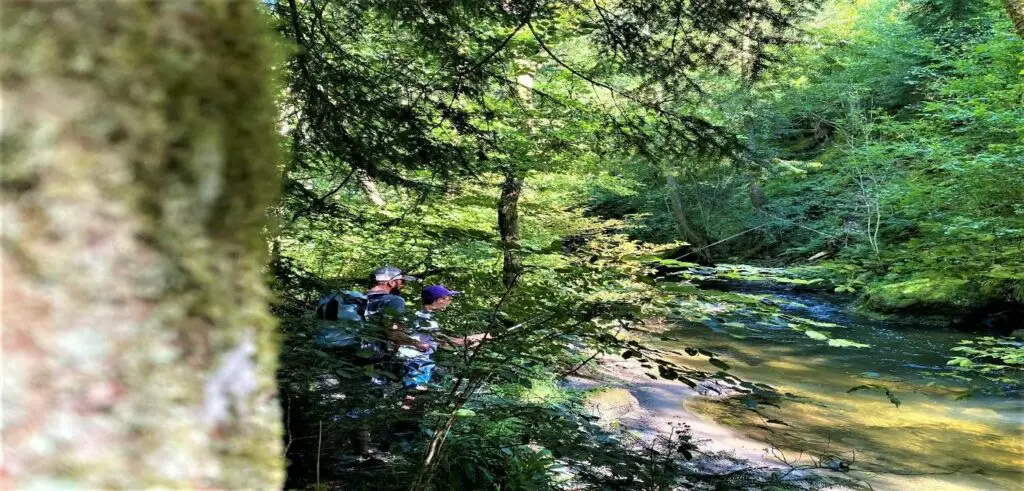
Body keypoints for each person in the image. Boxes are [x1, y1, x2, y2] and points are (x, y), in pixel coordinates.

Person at [399, 285, 490, 391]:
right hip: (418, 361)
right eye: (449, 298)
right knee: (413, 395)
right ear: (439, 300)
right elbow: (444, 341)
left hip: (408, 359)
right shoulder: (426, 320)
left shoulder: (416, 315)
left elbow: (442, 343)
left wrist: (468, 342)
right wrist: (482, 337)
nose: (450, 301)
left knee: (412, 395)